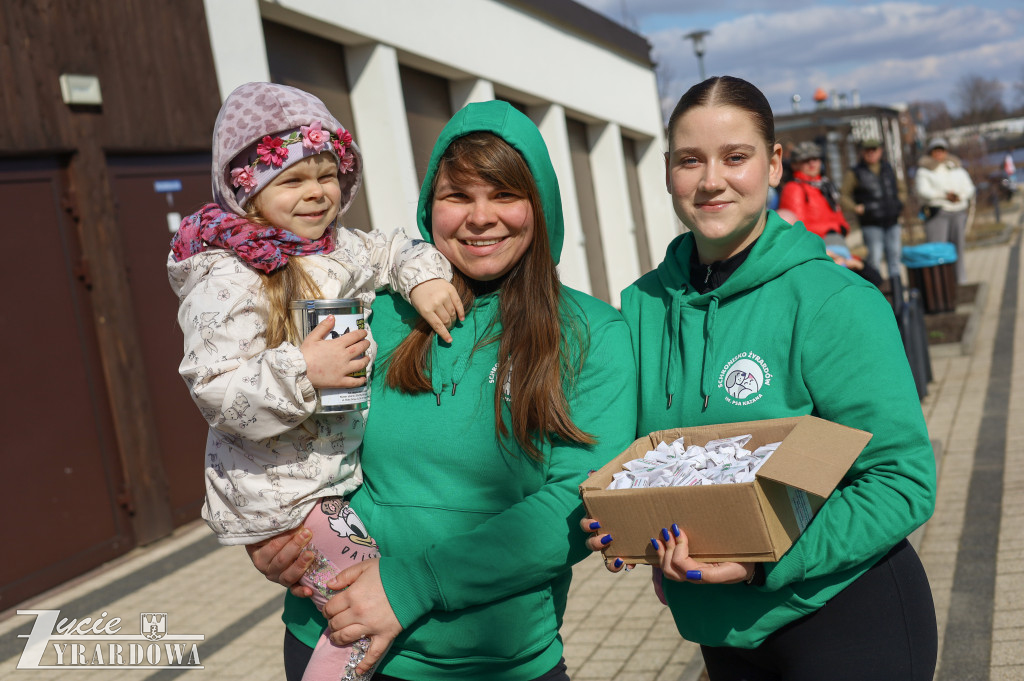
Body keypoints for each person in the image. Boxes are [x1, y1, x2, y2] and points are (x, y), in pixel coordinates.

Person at [247, 100, 638, 681]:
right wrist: (272, 532)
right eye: (457, 195)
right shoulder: (371, 311)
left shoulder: (592, 333)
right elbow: (287, 436)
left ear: (541, 205)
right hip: (333, 634)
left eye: (504, 194)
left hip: (492, 659)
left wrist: (411, 585)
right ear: (430, 206)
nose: (480, 218)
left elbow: (578, 500)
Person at [584, 76, 937, 681]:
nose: (711, 180)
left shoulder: (832, 301)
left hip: (843, 614)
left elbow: (901, 482)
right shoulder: (641, 307)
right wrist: (621, 524)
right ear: (666, 170)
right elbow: (631, 461)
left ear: (773, 164)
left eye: (735, 157)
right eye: (690, 160)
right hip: (719, 631)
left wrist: (761, 562)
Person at [168, 82, 462, 681]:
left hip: (327, 480)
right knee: (363, 606)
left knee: (359, 601)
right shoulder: (226, 275)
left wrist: (425, 277)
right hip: (279, 492)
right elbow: (215, 388)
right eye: (292, 179)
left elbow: (394, 249)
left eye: (328, 175)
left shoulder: (338, 247)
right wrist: (306, 371)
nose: (316, 192)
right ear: (248, 189)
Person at [778, 142, 881, 286]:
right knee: (854, 280)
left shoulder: (826, 186)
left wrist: (842, 226)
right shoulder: (794, 188)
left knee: (873, 275)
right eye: (806, 160)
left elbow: (837, 214)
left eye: (816, 159)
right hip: (819, 249)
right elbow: (797, 228)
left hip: (838, 245)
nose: (812, 163)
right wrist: (831, 229)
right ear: (795, 165)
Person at [840, 138, 906, 282]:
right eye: (867, 150)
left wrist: (899, 203)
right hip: (871, 222)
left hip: (892, 220)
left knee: (895, 257)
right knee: (875, 258)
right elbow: (844, 195)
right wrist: (856, 208)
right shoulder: (855, 172)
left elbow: (901, 188)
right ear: (862, 152)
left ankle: (897, 292)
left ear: (880, 151)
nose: (871, 153)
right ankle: (876, 291)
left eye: (874, 150)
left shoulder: (888, 169)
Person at [915, 137, 975, 284]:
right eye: (935, 151)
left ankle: (960, 280)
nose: (939, 154)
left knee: (958, 248)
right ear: (930, 152)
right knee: (938, 249)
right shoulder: (924, 171)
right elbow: (923, 191)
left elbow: (969, 187)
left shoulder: (957, 168)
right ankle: (940, 283)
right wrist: (944, 195)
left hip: (958, 211)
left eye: (941, 150)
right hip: (938, 213)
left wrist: (960, 196)